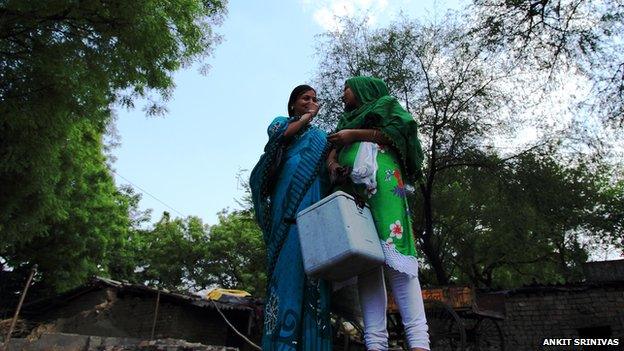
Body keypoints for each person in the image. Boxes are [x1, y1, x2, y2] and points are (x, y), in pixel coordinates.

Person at [327, 76, 430, 351]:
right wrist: (333, 162)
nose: (343, 95)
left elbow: (399, 134)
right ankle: (375, 345)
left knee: (398, 263)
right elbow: (332, 151)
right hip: (354, 195)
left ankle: (419, 343)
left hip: (384, 188)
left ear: (363, 89)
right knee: (367, 266)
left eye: (346, 88)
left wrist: (356, 135)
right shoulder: (344, 121)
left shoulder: (386, 105)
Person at [250, 85, 332, 350]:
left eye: (314, 99)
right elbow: (278, 136)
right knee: (288, 263)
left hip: (314, 205)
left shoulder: (321, 137)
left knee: (314, 273)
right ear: (293, 104)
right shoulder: (282, 123)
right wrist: (305, 118)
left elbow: (327, 166)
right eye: (305, 98)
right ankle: (280, 344)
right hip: (286, 208)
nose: (311, 102)